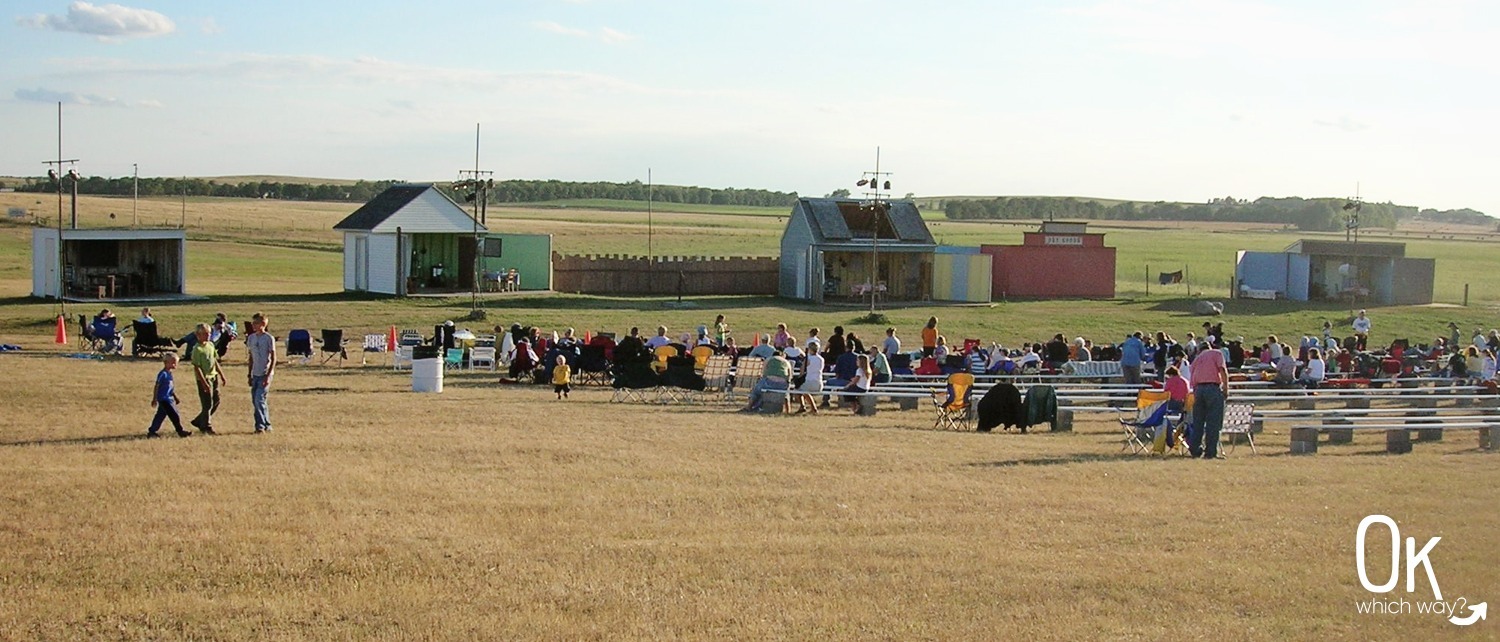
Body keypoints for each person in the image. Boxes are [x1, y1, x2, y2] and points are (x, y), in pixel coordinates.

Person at [1188, 333, 1230, 459]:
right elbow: (1222, 370)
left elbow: (1192, 374)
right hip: (1212, 388)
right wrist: (1226, 388)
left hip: (1198, 389)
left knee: (1198, 421)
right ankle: (1210, 452)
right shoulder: (1216, 353)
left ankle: (1195, 449)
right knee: (1213, 422)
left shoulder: (1197, 359)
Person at [147, 352, 192, 439]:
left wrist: (175, 397)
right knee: (174, 415)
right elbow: (157, 386)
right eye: (173, 362)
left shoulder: (170, 374)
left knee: (160, 415)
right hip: (164, 399)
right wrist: (154, 398)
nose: (175, 364)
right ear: (166, 363)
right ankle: (180, 431)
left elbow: (170, 388)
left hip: (169, 399)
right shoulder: (163, 374)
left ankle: (152, 431)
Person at [188, 323, 223, 435]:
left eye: (208, 333)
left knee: (216, 400)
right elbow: (197, 367)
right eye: (204, 334)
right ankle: (206, 426)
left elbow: (214, 360)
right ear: (198, 335)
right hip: (204, 378)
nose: (207, 336)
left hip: (214, 376)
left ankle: (199, 421)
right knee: (207, 403)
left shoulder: (211, 345)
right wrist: (204, 383)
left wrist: (221, 375)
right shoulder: (197, 349)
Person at [245, 312, 276, 434]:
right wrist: (249, 374)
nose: (253, 325)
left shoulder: (269, 338)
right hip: (255, 374)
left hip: (265, 373)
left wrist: (268, 375)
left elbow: (273, 358)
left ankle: (260, 426)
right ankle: (266, 424)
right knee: (257, 400)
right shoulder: (251, 338)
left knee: (259, 399)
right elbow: (251, 357)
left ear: (263, 324)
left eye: (256, 323)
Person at [793, 344, 824, 414]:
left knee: (797, 390)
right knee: (803, 390)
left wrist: (799, 377)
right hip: (819, 382)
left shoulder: (808, 359)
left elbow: (802, 369)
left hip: (810, 381)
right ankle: (805, 407)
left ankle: (809, 407)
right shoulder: (821, 359)